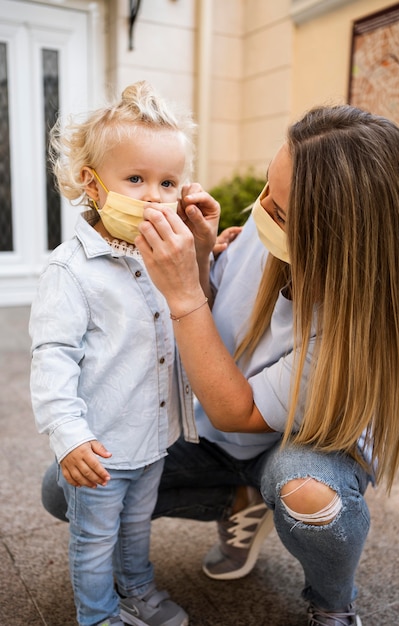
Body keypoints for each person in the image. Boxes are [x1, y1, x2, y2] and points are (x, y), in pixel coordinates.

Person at [41, 105, 399, 626]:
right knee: (67, 487)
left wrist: (180, 293)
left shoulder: (359, 331)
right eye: (268, 187)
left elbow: (232, 410)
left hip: (288, 450)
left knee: (306, 493)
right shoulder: (265, 238)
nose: (259, 209)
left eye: (280, 211)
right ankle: (240, 498)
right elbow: (216, 315)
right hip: (220, 441)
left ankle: (333, 603)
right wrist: (200, 259)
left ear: (337, 237)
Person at [29, 80, 199, 626]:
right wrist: (68, 435)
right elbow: (52, 356)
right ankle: (98, 615)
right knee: (95, 539)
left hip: (150, 436)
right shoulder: (70, 270)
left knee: (136, 526)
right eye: (136, 179)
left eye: (168, 182)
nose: (154, 195)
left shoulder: (163, 256)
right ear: (92, 183)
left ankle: (138, 592)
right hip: (99, 446)